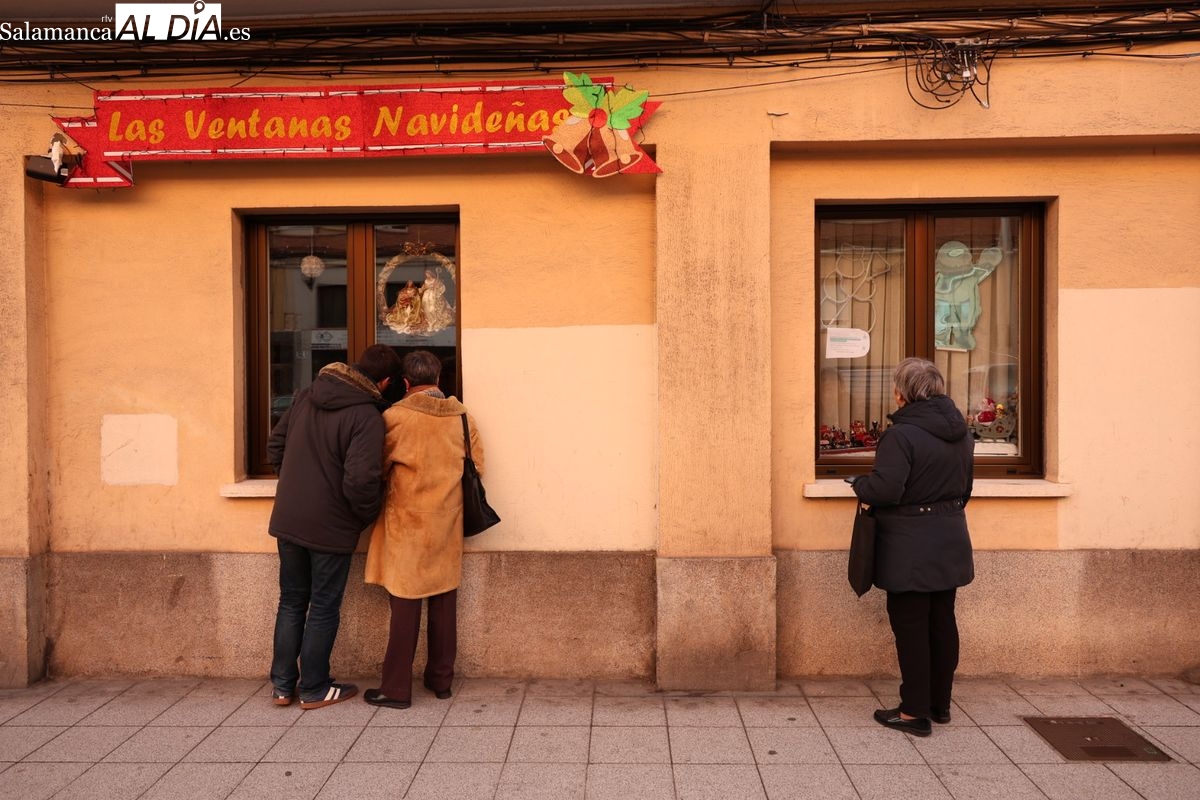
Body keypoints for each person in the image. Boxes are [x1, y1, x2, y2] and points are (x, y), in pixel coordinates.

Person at [266, 344, 401, 710]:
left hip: (288, 519)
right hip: (330, 527)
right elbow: (361, 481)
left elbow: (274, 447)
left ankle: (281, 687)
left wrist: (294, 487)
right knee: (323, 606)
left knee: (291, 601)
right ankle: (314, 688)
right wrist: (363, 517)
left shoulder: (305, 396)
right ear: (386, 382)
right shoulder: (367, 416)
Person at [851, 357, 974, 737]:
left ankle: (913, 712)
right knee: (942, 622)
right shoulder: (961, 432)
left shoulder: (901, 435)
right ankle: (940, 705)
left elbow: (887, 488)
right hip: (950, 538)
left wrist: (859, 484)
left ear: (902, 393)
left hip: (910, 547)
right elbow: (965, 489)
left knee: (911, 627)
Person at [362, 350, 485, 709]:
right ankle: (441, 681)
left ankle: (397, 688)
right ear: (439, 379)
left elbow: (378, 468)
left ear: (405, 383)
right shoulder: (462, 418)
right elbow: (477, 466)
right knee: (445, 601)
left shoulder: (395, 418)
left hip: (407, 523)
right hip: (447, 521)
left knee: (405, 605)